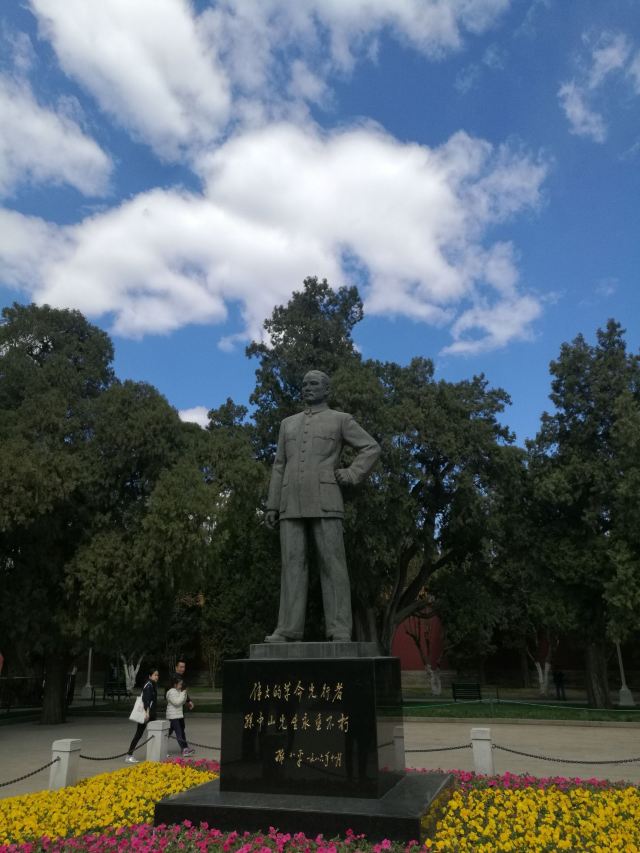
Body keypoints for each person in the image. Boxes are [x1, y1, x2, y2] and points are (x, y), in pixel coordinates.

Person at [265, 369, 380, 642]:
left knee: (333, 565)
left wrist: (352, 473)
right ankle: (287, 629)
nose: (307, 388)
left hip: (326, 501)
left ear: (326, 390)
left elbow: (371, 447)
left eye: (314, 384)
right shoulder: (288, 424)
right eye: (304, 384)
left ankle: (339, 628)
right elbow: (279, 465)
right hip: (289, 503)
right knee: (291, 565)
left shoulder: (340, 420)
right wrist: (272, 505)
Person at [125, 667, 159, 763]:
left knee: (156, 732)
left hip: (151, 714)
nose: (157, 677)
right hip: (147, 714)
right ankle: (129, 755)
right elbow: (146, 700)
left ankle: (158, 752)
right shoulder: (149, 685)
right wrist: (147, 712)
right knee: (139, 734)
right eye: (155, 675)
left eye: (157, 675)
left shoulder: (152, 684)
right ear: (150, 676)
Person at [165, 674, 195, 756]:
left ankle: (162, 747)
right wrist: (183, 693)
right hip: (173, 716)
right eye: (180, 684)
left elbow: (182, 701)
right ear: (175, 684)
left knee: (168, 733)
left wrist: (184, 693)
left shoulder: (178, 691)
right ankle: (184, 750)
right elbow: (177, 703)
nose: (181, 685)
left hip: (178, 715)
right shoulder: (171, 692)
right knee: (179, 733)